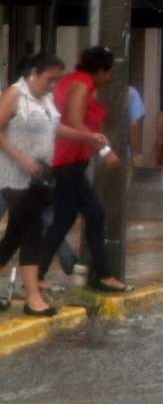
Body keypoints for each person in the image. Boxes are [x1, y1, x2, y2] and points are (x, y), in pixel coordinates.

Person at [0, 53, 106, 315]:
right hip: (13, 175)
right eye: (50, 79)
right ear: (34, 72)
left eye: (57, 80)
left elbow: (55, 128)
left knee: (14, 234)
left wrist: (87, 137)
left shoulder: (45, 99)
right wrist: (21, 157)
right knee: (33, 228)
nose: (53, 86)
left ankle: (32, 295)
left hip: (39, 176)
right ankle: (32, 298)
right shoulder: (16, 94)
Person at [37, 46, 132, 293]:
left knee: (64, 219)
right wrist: (104, 151)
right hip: (68, 160)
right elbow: (74, 120)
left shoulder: (74, 81)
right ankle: (103, 275)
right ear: (99, 70)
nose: (109, 78)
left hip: (69, 160)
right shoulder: (82, 84)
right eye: (108, 72)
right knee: (96, 214)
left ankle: (37, 274)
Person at [127, 85, 145, 173]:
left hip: (97, 150)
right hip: (124, 153)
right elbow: (134, 125)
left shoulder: (93, 89)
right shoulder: (130, 92)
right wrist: (135, 154)